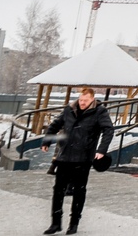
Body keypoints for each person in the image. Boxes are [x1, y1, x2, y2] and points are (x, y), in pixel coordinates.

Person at [41, 86, 113, 235]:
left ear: (92, 99)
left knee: (79, 191)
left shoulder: (99, 111)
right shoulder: (69, 109)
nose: (82, 103)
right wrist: (46, 141)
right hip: (65, 156)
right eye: (81, 99)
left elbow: (108, 130)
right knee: (58, 190)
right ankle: (55, 223)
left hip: (83, 157)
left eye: (85, 100)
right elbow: (55, 124)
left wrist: (101, 150)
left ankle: (73, 223)